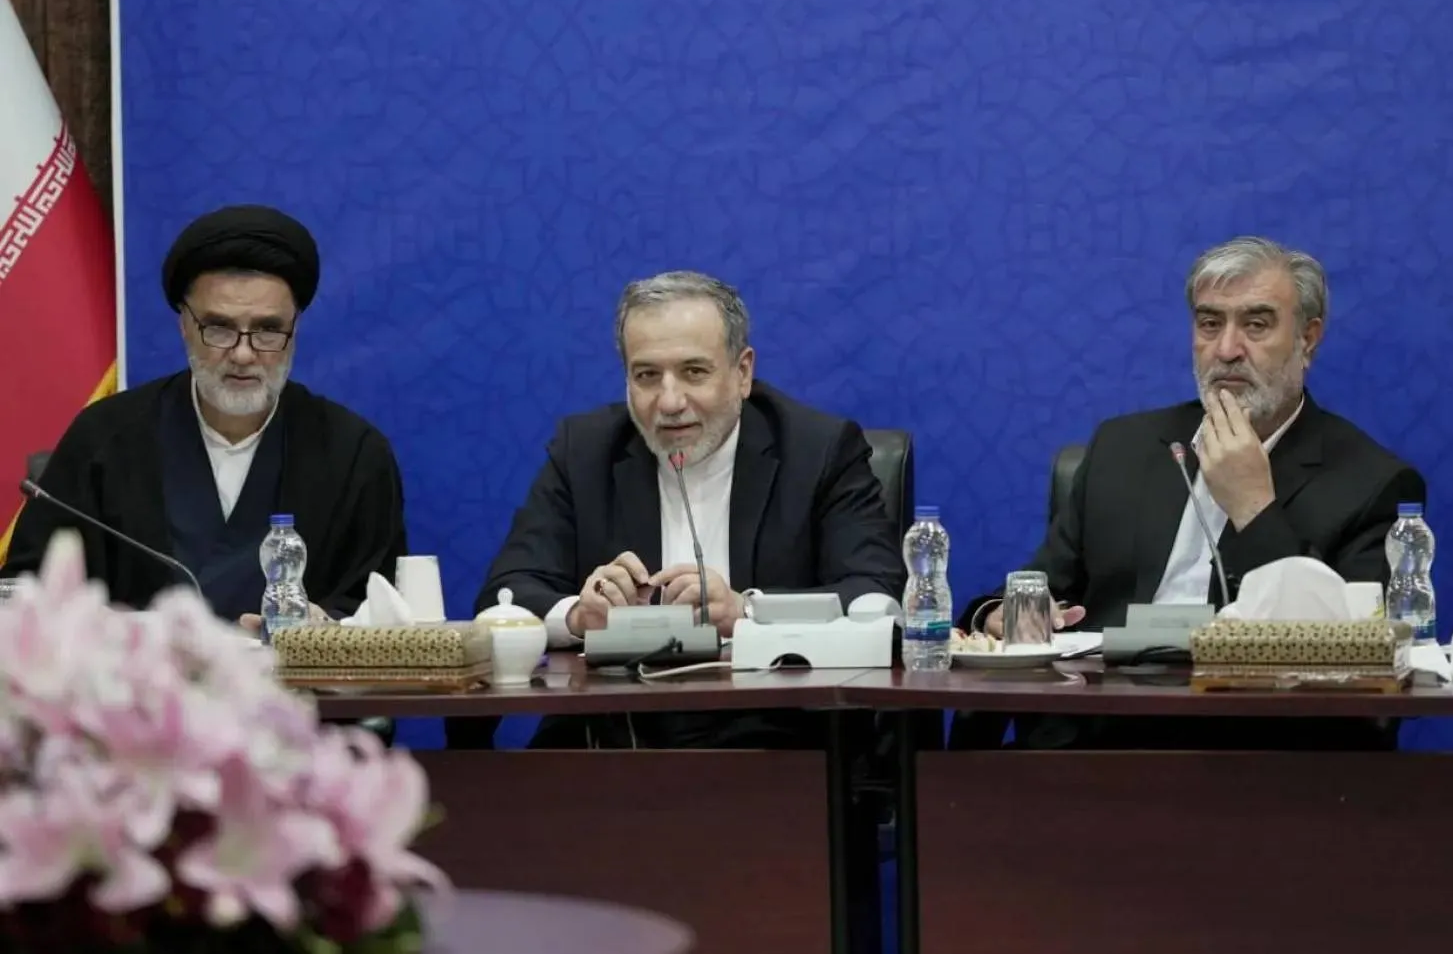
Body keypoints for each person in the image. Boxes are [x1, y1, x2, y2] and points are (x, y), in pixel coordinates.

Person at [950, 236, 1425, 751]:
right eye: (1209, 323)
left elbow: (1343, 662)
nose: (1227, 350)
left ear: (1308, 340)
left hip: (1258, 753)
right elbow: (1035, 593)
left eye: (1257, 324)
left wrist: (1253, 508)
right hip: (1094, 738)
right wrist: (1000, 616)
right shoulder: (1123, 448)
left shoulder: (1372, 482)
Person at [448, 270, 905, 750]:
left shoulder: (819, 451)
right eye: (647, 376)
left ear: (742, 373)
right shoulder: (584, 451)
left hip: (775, 728)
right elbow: (508, 595)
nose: (669, 401)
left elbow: (875, 594)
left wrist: (745, 612)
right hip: (613, 728)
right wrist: (580, 616)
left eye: (694, 372)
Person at [1, 204, 407, 629]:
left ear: (295, 329)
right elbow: (26, 596)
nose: (244, 353)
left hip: (300, 692)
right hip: (139, 691)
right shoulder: (104, 438)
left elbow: (380, 608)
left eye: (268, 329)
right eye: (219, 328)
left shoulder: (355, 454)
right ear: (184, 325)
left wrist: (327, 627)